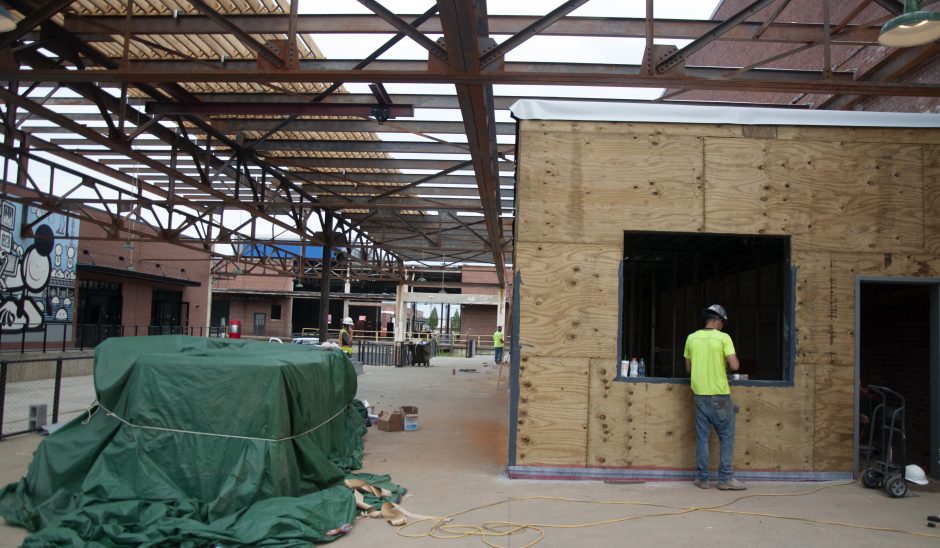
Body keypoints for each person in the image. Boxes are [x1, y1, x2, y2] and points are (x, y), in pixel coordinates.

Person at [683, 304, 745, 491]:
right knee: (726, 436)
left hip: (700, 396)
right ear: (719, 321)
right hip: (719, 396)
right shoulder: (723, 338)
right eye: (722, 323)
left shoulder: (691, 338)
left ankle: (703, 479)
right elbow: (735, 366)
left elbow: (689, 369)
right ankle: (725, 478)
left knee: (702, 438)